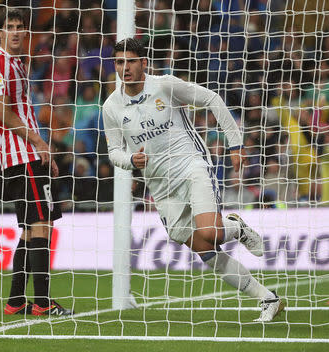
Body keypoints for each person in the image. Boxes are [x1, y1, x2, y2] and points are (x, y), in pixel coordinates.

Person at [103, 38, 284, 322]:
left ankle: (235, 228)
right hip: (161, 186)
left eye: (131, 61)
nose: (125, 68)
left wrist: (235, 145)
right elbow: (114, 150)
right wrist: (130, 161)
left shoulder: (165, 85)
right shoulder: (111, 106)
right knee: (204, 248)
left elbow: (212, 98)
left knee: (210, 232)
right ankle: (267, 298)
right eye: (119, 62)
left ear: (144, 63)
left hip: (191, 165)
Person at [0, 9, 72, 316]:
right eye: (10, 27)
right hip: (22, 156)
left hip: (31, 156)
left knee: (28, 228)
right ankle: (43, 304)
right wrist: (38, 142)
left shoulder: (17, 64)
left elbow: (23, 111)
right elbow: (2, 112)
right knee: (41, 224)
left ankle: (16, 300)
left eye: (21, 27)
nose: (17, 32)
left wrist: (43, 151)